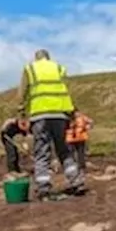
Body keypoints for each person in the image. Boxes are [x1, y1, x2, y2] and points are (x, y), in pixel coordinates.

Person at [16, 49, 84, 200]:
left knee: (42, 152)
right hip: (60, 115)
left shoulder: (30, 69)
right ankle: (76, 181)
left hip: (40, 115)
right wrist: (73, 112)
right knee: (64, 150)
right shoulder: (58, 68)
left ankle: (43, 187)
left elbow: (22, 93)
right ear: (48, 58)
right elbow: (67, 91)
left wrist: (21, 114)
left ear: (36, 58)